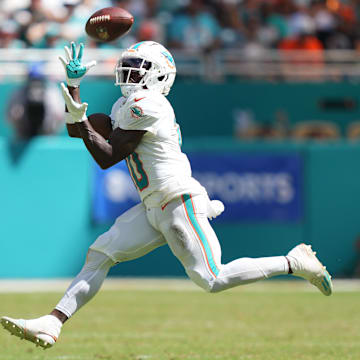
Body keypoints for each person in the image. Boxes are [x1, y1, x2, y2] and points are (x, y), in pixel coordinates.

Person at [1, 40, 333, 350]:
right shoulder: (125, 103)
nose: (129, 72)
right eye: (127, 64)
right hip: (154, 206)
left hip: (176, 200)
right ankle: (52, 322)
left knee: (212, 277)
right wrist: (73, 85)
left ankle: (294, 262)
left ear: (158, 75)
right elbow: (79, 128)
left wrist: (80, 115)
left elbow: (106, 156)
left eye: (138, 66)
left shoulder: (150, 104)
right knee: (99, 252)